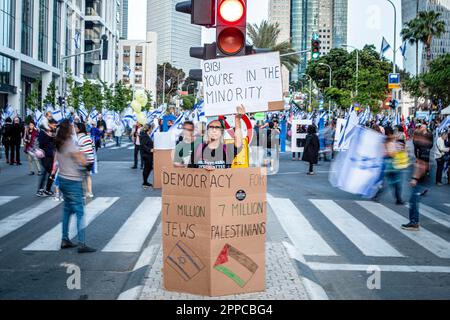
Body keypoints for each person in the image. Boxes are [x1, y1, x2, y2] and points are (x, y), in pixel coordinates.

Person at [55, 119, 96, 253]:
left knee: (67, 210)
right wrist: (84, 157)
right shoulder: (70, 144)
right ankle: (82, 243)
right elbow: (83, 160)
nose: (74, 128)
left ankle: (65, 239)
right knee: (80, 212)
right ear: (68, 129)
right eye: (72, 126)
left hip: (63, 179)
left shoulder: (59, 143)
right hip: (73, 181)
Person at [193, 105, 245, 170]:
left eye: (217, 127)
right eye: (211, 127)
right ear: (207, 130)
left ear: (222, 132)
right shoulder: (198, 149)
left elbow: (239, 144)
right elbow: (190, 172)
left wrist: (237, 119)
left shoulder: (227, 149)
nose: (214, 130)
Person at [402, 125, 433, 231]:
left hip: (421, 175)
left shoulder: (424, 146)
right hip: (421, 174)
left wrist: (415, 178)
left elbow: (422, 164)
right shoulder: (421, 145)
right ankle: (414, 221)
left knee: (413, 199)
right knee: (414, 199)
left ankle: (414, 222)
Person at [37, 119, 58, 197]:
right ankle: (40, 189)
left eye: (55, 125)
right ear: (49, 124)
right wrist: (49, 136)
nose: (55, 127)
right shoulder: (43, 132)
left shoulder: (53, 133)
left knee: (52, 172)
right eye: (54, 125)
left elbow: (55, 143)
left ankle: (47, 189)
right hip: (45, 155)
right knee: (45, 172)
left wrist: (53, 136)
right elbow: (41, 143)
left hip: (52, 155)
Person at [76, 122, 95, 197]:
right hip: (91, 159)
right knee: (88, 175)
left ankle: (83, 192)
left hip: (83, 160)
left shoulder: (78, 138)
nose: (74, 129)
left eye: (75, 127)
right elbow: (93, 146)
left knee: (82, 176)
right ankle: (90, 192)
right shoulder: (88, 137)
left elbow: (77, 150)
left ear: (79, 129)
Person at [140, 124, 154, 188]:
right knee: (147, 168)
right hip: (146, 154)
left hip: (148, 154)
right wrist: (149, 150)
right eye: (151, 128)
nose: (152, 130)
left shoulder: (146, 135)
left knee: (149, 167)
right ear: (148, 129)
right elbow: (143, 145)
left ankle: (145, 182)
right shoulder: (144, 135)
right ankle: (145, 182)